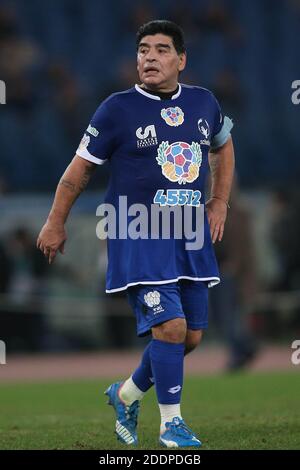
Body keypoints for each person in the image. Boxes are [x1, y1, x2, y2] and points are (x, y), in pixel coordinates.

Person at [37, 20, 235, 448]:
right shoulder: (116, 109)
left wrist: (219, 201)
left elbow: (223, 144)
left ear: (181, 60)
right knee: (171, 326)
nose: (149, 57)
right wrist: (56, 221)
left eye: (162, 50)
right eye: (143, 49)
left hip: (188, 230)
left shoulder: (204, 103)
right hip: (138, 229)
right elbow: (80, 170)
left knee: (192, 336)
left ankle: (125, 394)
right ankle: (171, 425)